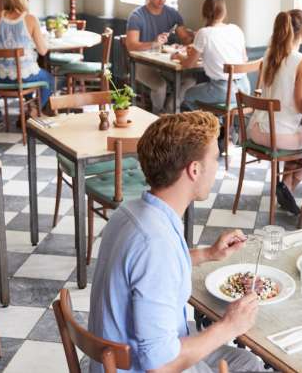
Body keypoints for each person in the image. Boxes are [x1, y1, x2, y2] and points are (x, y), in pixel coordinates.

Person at [89, 111, 262, 373]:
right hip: (146, 365)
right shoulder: (155, 244)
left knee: (247, 361)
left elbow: (148, 273)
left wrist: (207, 253)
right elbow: (160, 365)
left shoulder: (132, 211)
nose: (217, 166)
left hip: (118, 356)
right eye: (215, 158)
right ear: (194, 169)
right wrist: (229, 326)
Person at [246, 9, 302, 215]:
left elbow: (282, 87)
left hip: (256, 129)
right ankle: (290, 184)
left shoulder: (270, 54)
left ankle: (286, 183)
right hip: (277, 136)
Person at [125, 0, 196, 114]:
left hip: (166, 64)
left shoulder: (172, 14)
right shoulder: (136, 16)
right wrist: (154, 43)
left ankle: (169, 111)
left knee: (190, 81)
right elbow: (131, 46)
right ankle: (156, 117)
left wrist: (197, 35)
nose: (162, 0)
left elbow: (185, 38)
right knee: (160, 86)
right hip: (141, 65)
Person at [179, 0, 250, 113]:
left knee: (188, 95)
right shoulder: (236, 29)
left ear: (204, 13)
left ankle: (213, 125)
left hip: (223, 91)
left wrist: (179, 56)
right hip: (245, 88)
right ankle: (219, 124)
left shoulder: (203, 33)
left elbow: (189, 64)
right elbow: (244, 58)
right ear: (224, 12)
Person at [0, 0, 54, 111]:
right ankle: (34, 111)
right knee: (49, 79)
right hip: (25, 77)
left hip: (2, 78)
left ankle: (28, 110)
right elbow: (42, 51)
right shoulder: (31, 19)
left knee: (31, 80)